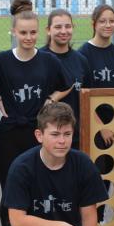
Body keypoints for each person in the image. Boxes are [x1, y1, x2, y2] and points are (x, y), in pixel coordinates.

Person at [0, 0, 69, 226]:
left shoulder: (48, 61)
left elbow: (66, 85)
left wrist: (50, 98)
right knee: (11, 194)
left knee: (41, 191)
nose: (28, 37)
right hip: (12, 133)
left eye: (33, 32)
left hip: (38, 135)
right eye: (23, 32)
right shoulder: (0, 60)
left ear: (40, 32)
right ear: (13, 32)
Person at [78, 4, 114, 226]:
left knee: (108, 176)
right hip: (94, 127)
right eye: (103, 21)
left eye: (112, 21)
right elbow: (84, 96)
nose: (108, 25)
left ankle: (100, 221)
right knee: (93, 177)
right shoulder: (84, 54)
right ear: (94, 23)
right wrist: (101, 127)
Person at [40, 9, 91, 148]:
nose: (63, 31)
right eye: (58, 27)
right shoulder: (39, 58)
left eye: (68, 26)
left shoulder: (81, 61)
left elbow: (87, 99)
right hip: (49, 136)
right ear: (48, 30)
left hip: (75, 135)